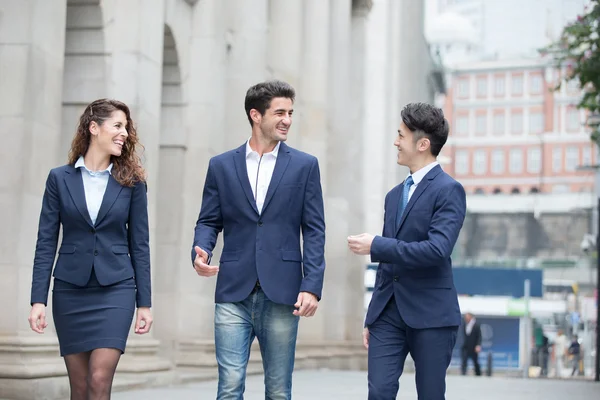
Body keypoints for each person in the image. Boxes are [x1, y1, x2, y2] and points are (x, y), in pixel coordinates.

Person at [191, 80, 326, 399]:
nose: (287, 120)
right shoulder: (221, 165)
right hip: (233, 290)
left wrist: (312, 285)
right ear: (256, 115)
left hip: (282, 293)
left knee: (278, 390)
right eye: (280, 112)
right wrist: (201, 250)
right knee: (230, 385)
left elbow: (315, 229)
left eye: (291, 113)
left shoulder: (305, 166)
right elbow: (209, 220)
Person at [28, 99, 153, 400]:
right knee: (80, 387)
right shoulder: (59, 178)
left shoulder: (132, 183)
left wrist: (144, 303)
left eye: (126, 127)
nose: (124, 133)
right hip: (71, 290)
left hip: (116, 289)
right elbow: (46, 240)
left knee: (99, 380)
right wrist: (37, 300)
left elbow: (140, 244)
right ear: (94, 128)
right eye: (118, 126)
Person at [348, 102, 465, 400]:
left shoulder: (449, 190)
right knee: (379, 392)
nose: (396, 142)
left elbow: (437, 250)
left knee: (430, 394)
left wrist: (377, 244)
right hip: (388, 313)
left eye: (401, 135)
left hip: (432, 314)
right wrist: (372, 316)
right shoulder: (393, 196)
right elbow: (388, 264)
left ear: (423, 143)